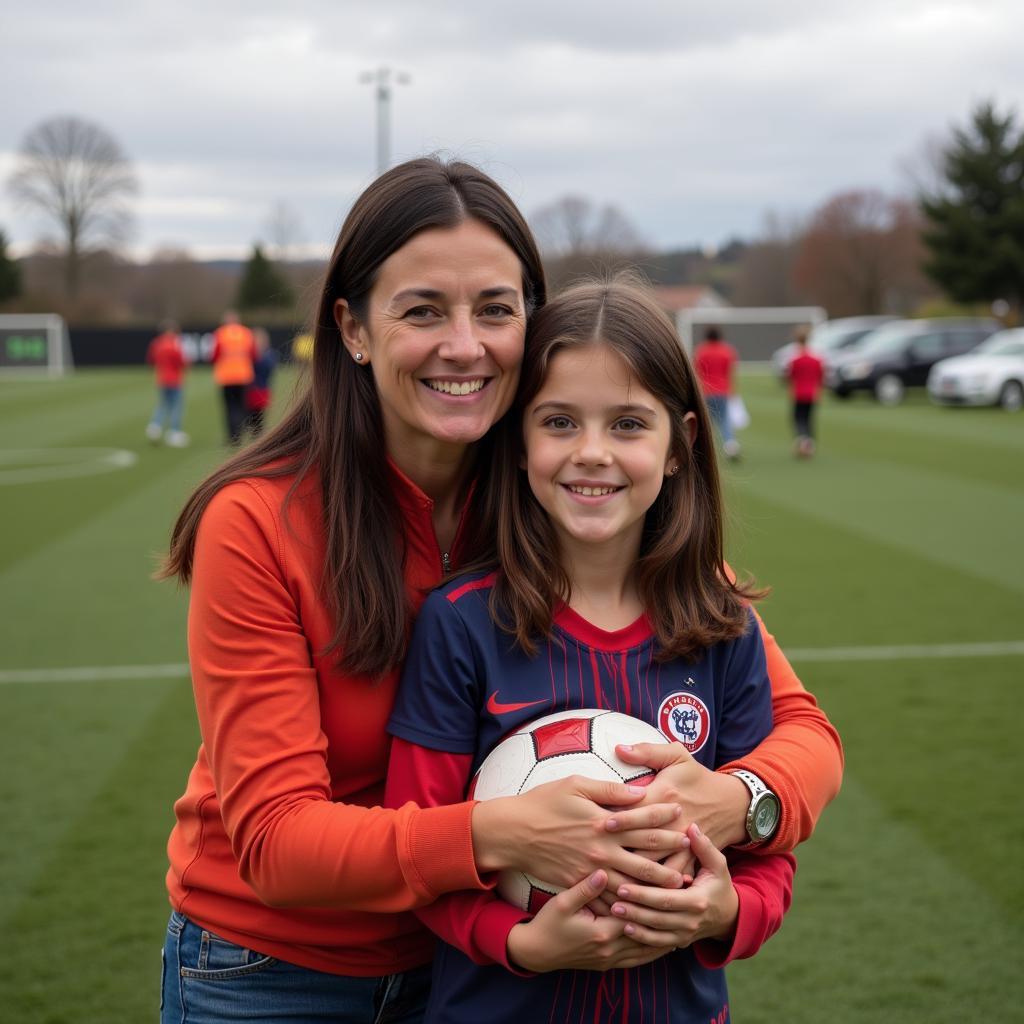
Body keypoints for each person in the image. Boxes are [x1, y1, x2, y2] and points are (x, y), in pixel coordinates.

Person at [157, 158, 841, 1024]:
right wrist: (507, 834)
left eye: (494, 309)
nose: (464, 345)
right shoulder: (256, 521)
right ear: (353, 328)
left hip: (487, 973)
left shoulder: (568, 494)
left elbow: (805, 733)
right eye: (422, 310)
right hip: (280, 973)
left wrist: (738, 799)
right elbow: (277, 841)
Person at [387, 278, 796, 1022]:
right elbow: (419, 850)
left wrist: (726, 911)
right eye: (560, 422)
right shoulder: (461, 625)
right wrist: (520, 942)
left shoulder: (723, 627)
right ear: (517, 444)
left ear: (681, 447)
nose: (593, 453)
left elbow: (767, 856)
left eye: (629, 424)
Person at [694, 326, 741, 461]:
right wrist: (733, 390)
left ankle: (705, 449)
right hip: (722, 390)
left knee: (707, 422)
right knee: (724, 420)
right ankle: (730, 445)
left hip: (705, 391)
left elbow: (696, 372)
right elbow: (730, 372)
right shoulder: (727, 351)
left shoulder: (701, 351)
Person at [211, 310, 257, 445]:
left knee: (229, 407)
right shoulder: (246, 333)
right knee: (242, 407)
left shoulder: (220, 334)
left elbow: (214, 356)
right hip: (243, 376)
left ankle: (233, 436)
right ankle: (240, 433)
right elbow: (254, 355)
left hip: (226, 377)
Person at [145, 319, 189, 447]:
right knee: (176, 406)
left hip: (162, 379)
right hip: (174, 379)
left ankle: (155, 426)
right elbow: (181, 361)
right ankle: (174, 433)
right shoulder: (175, 344)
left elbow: (151, 359)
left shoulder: (156, 343)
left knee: (163, 404)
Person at [788, 324, 824, 458]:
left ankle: (803, 441)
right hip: (812, 393)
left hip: (798, 393)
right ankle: (809, 443)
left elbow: (791, 376)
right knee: (809, 419)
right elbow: (820, 376)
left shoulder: (795, 360)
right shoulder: (816, 359)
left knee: (798, 419)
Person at [243, 327, 279, 438]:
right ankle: (256, 434)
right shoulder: (253, 355)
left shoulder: (268, 355)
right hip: (254, 389)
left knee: (258, 415)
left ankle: (257, 435)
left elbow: (269, 370)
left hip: (260, 388)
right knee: (252, 415)